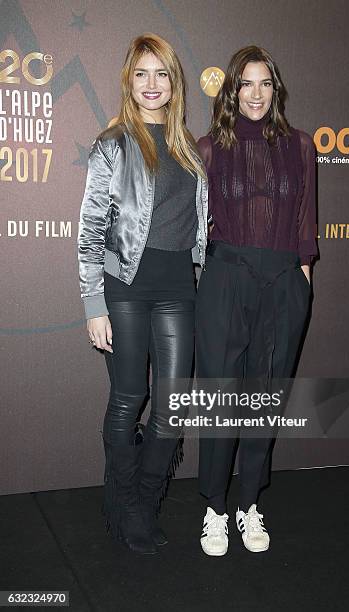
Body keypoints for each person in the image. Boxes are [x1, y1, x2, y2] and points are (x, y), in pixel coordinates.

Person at [78, 33, 207, 555]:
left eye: (162, 74)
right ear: (129, 82)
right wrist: (93, 303)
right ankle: (127, 504)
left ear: (175, 83)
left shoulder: (189, 149)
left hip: (179, 287)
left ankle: (146, 500)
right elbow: (91, 228)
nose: (152, 84)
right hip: (125, 288)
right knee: (130, 398)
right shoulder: (113, 144)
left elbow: (196, 226)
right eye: (142, 74)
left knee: (172, 409)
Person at [196, 45, 317, 556]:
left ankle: (249, 504)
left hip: (283, 280)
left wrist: (303, 275)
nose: (256, 93)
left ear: (276, 88)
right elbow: (195, 225)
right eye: (246, 84)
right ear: (232, 90)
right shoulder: (207, 148)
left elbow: (306, 219)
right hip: (226, 276)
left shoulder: (302, 145)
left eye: (265, 83)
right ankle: (214, 510)